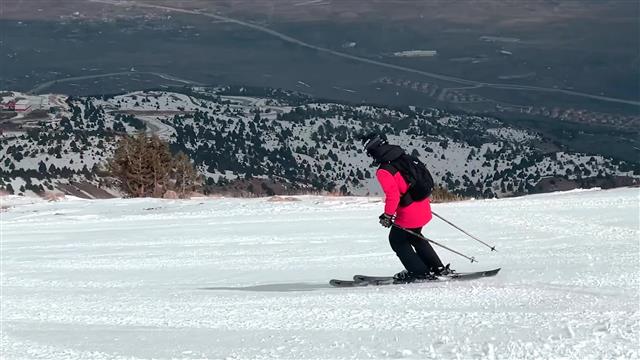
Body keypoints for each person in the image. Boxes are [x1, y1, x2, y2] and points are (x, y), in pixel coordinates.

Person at [361, 133, 451, 283]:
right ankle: (437, 268)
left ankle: (419, 273)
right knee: (416, 237)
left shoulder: (384, 170)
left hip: (409, 213)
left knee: (397, 240)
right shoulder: (404, 157)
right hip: (422, 206)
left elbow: (393, 196)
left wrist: (387, 215)